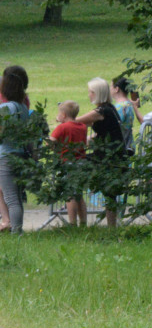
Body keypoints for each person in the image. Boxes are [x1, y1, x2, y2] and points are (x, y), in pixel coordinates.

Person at [0, 66, 30, 233]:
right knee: (15, 196)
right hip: (19, 153)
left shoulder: (5, 108)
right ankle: (18, 228)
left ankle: (16, 231)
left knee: (11, 197)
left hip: (4, 155)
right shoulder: (22, 107)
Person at [77, 77, 127, 227]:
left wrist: (63, 116)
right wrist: (89, 139)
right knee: (110, 195)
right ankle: (112, 228)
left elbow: (74, 121)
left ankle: (80, 222)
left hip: (107, 159)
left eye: (90, 92)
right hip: (115, 156)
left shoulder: (100, 111)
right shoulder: (110, 108)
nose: (88, 95)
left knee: (73, 176)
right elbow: (105, 133)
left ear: (97, 93)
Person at [50, 100, 88, 227]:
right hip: (81, 162)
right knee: (79, 194)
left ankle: (72, 224)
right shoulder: (83, 126)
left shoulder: (62, 127)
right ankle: (83, 222)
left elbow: (51, 141)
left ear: (64, 115)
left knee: (69, 195)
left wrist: (54, 148)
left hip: (68, 163)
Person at [110, 76, 139, 151]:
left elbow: (112, 128)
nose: (109, 89)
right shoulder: (129, 104)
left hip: (120, 149)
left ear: (116, 89)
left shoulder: (119, 107)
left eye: (111, 86)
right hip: (129, 145)